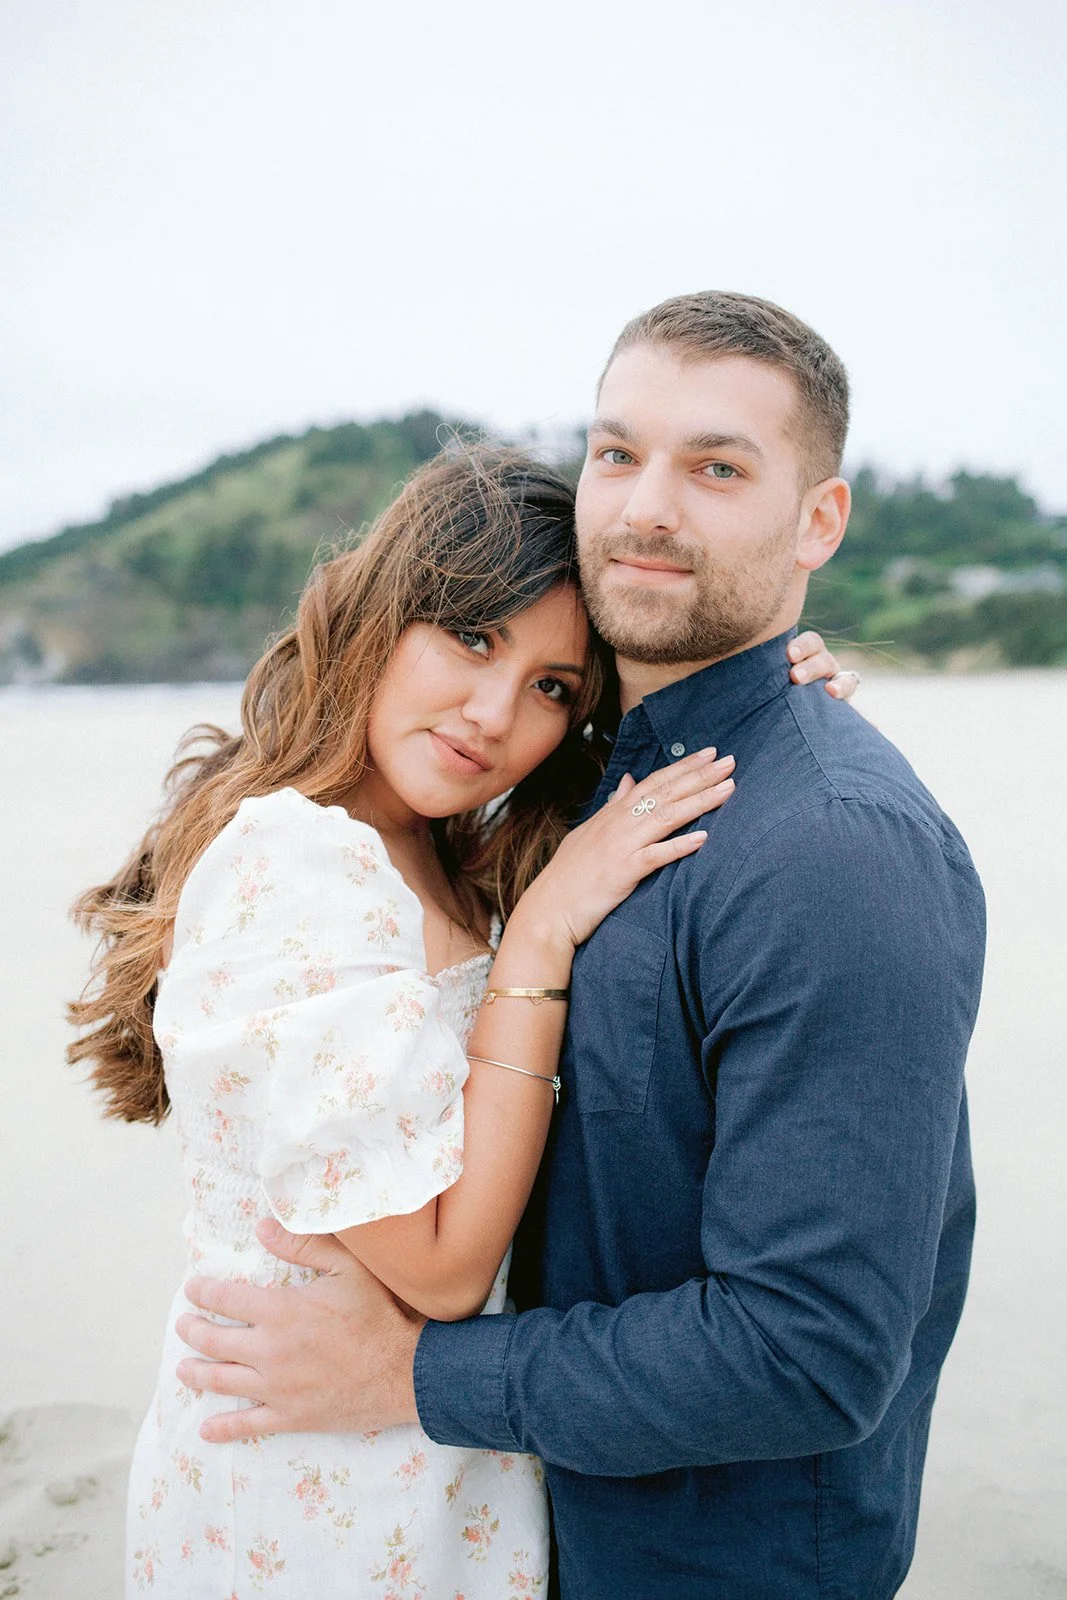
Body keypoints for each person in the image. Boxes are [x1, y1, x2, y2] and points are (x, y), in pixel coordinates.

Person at [175, 292, 985, 1599]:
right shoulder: (588, 797)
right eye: (615, 453)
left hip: (707, 1566)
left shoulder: (827, 849)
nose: (645, 505)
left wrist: (412, 1374)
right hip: (508, 1517)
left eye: (714, 467)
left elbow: (810, 1352)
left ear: (815, 522)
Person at [69, 441, 850, 1597]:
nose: (493, 714)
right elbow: (439, 1268)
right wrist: (536, 937)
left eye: (550, 688)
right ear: (383, 613)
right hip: (306, 1479)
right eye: (472, 636)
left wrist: (769, 704)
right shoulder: (295, 864)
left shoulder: (443, 852)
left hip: (429, 1462)